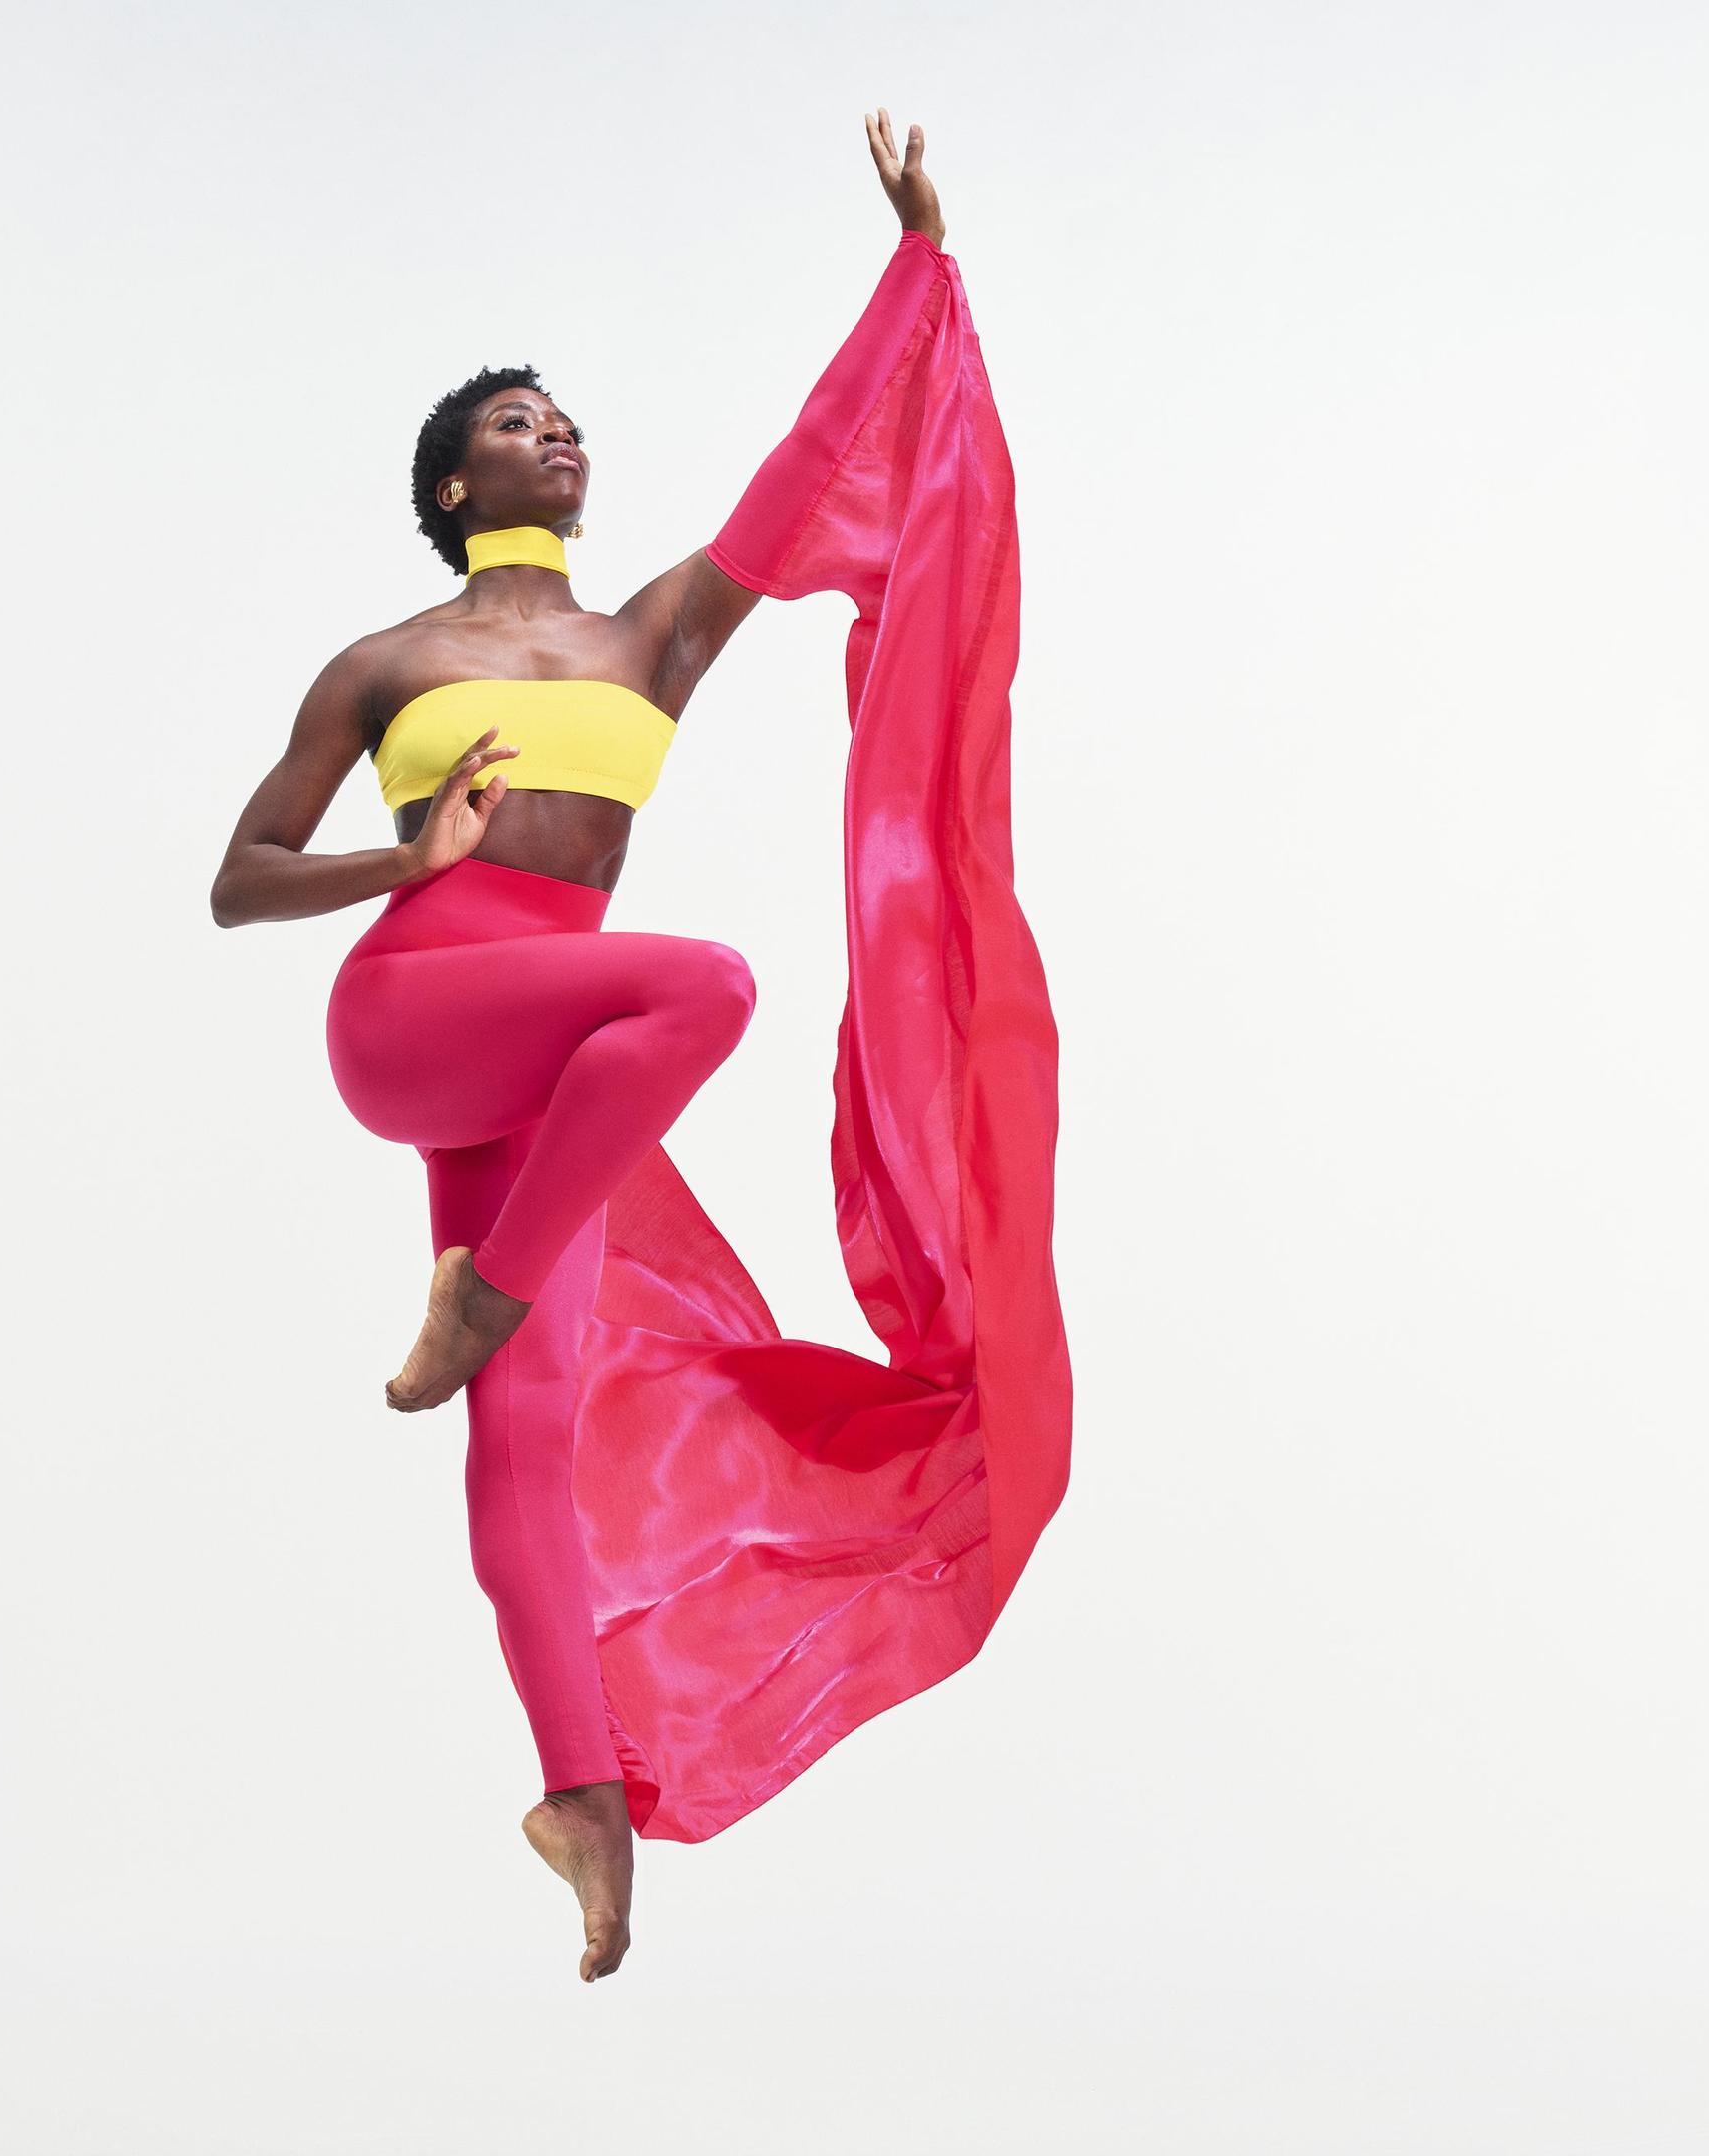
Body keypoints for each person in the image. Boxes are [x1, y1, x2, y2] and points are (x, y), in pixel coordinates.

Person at [209, 111, 1066, 1985]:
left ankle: (578, 1799)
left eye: (566, 415)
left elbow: (805, 481)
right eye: (516, 422)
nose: (557, 433)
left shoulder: (649, 638)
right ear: (452, 487)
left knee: (524, 1446)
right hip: (421, 1012)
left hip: (545, 1095)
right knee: (707, 987)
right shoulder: (383, 663)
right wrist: (399, 854)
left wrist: (915, 273)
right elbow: (234, 878)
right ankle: (485, 1304)